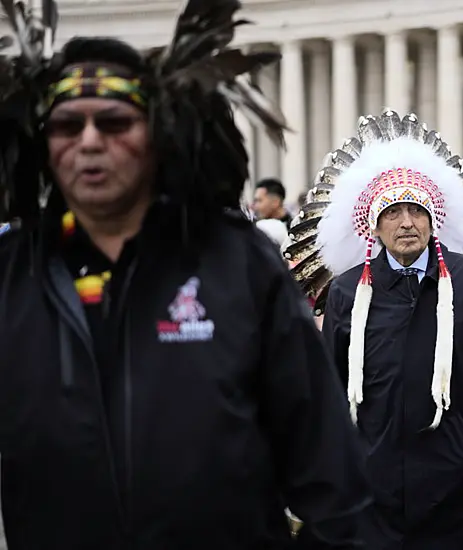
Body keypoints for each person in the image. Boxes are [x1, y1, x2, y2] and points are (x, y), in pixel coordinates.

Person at [0, 1, 369, 548]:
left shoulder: (238, 266)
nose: (90, 142)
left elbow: (328, 473)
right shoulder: (11, 277)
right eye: (67, 125)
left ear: (157, 137)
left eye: (115, 122)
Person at [287, 109, 463, 549]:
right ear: (375, 224)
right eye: (393, 212)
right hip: (374, 483)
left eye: (416, 211)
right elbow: (329, 382)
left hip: (454, 483)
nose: (407, 222)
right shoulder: (348, 290)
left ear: (432, 218)